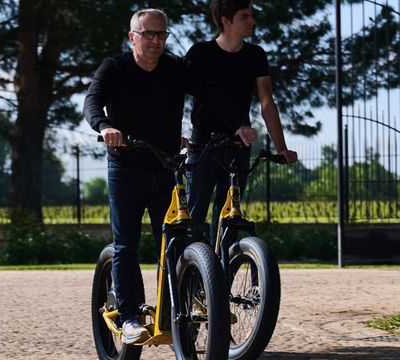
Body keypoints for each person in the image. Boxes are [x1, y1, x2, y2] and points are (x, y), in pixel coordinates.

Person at [84, 8, 252, 344]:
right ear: (132, 36)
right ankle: (130, 316)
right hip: (126, 166)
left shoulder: (176, 69)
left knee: (179, 240)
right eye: (147, 34)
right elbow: (92, 101)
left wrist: (239, 124)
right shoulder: (114, 68)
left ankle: (184, 304)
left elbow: (211, 94)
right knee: (126, 245)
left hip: (166, 167)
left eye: (161, 34)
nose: (155, 40)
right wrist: (105, 127)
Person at [185, 0, 298, 244]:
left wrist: (281, 148)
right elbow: (176, 96)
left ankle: (221, 279)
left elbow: (267, 102)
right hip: (203, 146)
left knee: (229, 220)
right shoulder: (200, 53)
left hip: (238, 147)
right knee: (193, 217)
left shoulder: (255, 55)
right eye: (245, 17)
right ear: (226, 21)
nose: (252, 21)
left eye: (252, 16)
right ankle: (190, 274)